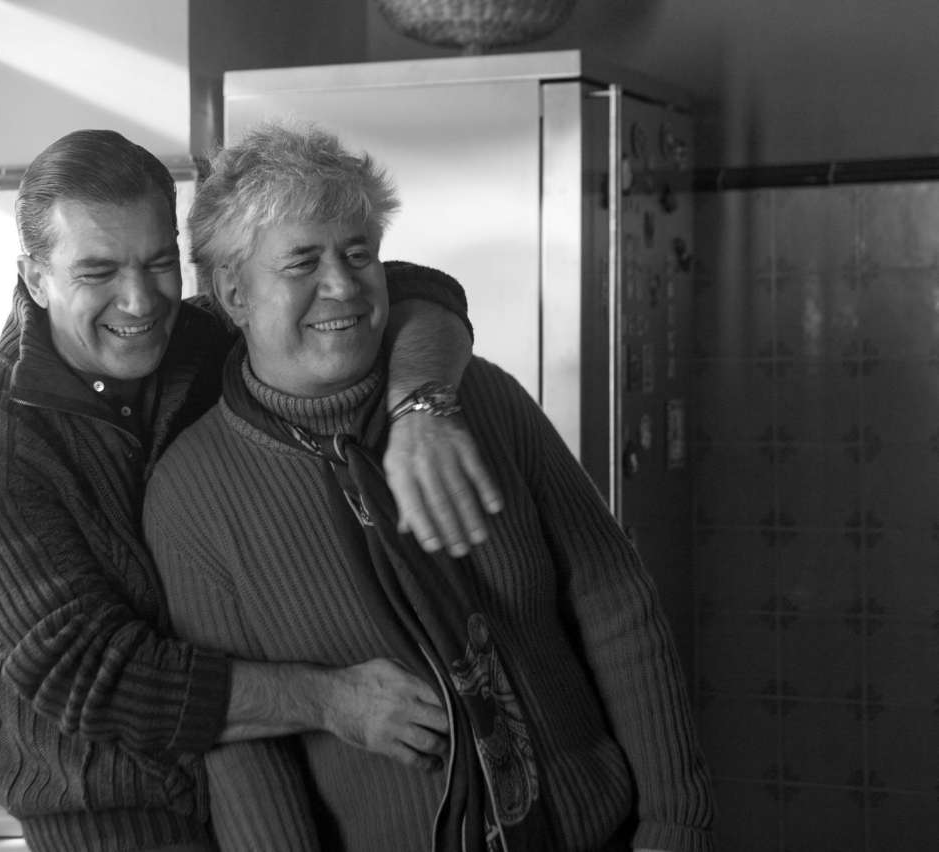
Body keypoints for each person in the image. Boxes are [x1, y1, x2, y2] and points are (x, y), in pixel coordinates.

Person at [0, 128, 501, 852]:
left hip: (283, 793)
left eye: (159, 263)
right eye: (97, 272)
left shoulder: (202, 337)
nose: (140, 301)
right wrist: (332, 700)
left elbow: (412, 290)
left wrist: (421, 406)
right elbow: (88, 674)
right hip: (115, 826)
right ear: (35, 278)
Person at [144, 122, 716, 852]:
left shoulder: (482, 398)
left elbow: (616, 601)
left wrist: (677, 823)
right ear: (234, 291)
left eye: (360, 253)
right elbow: (247, 758)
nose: (343, 285)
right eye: (302, 262)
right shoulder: (191, 495)